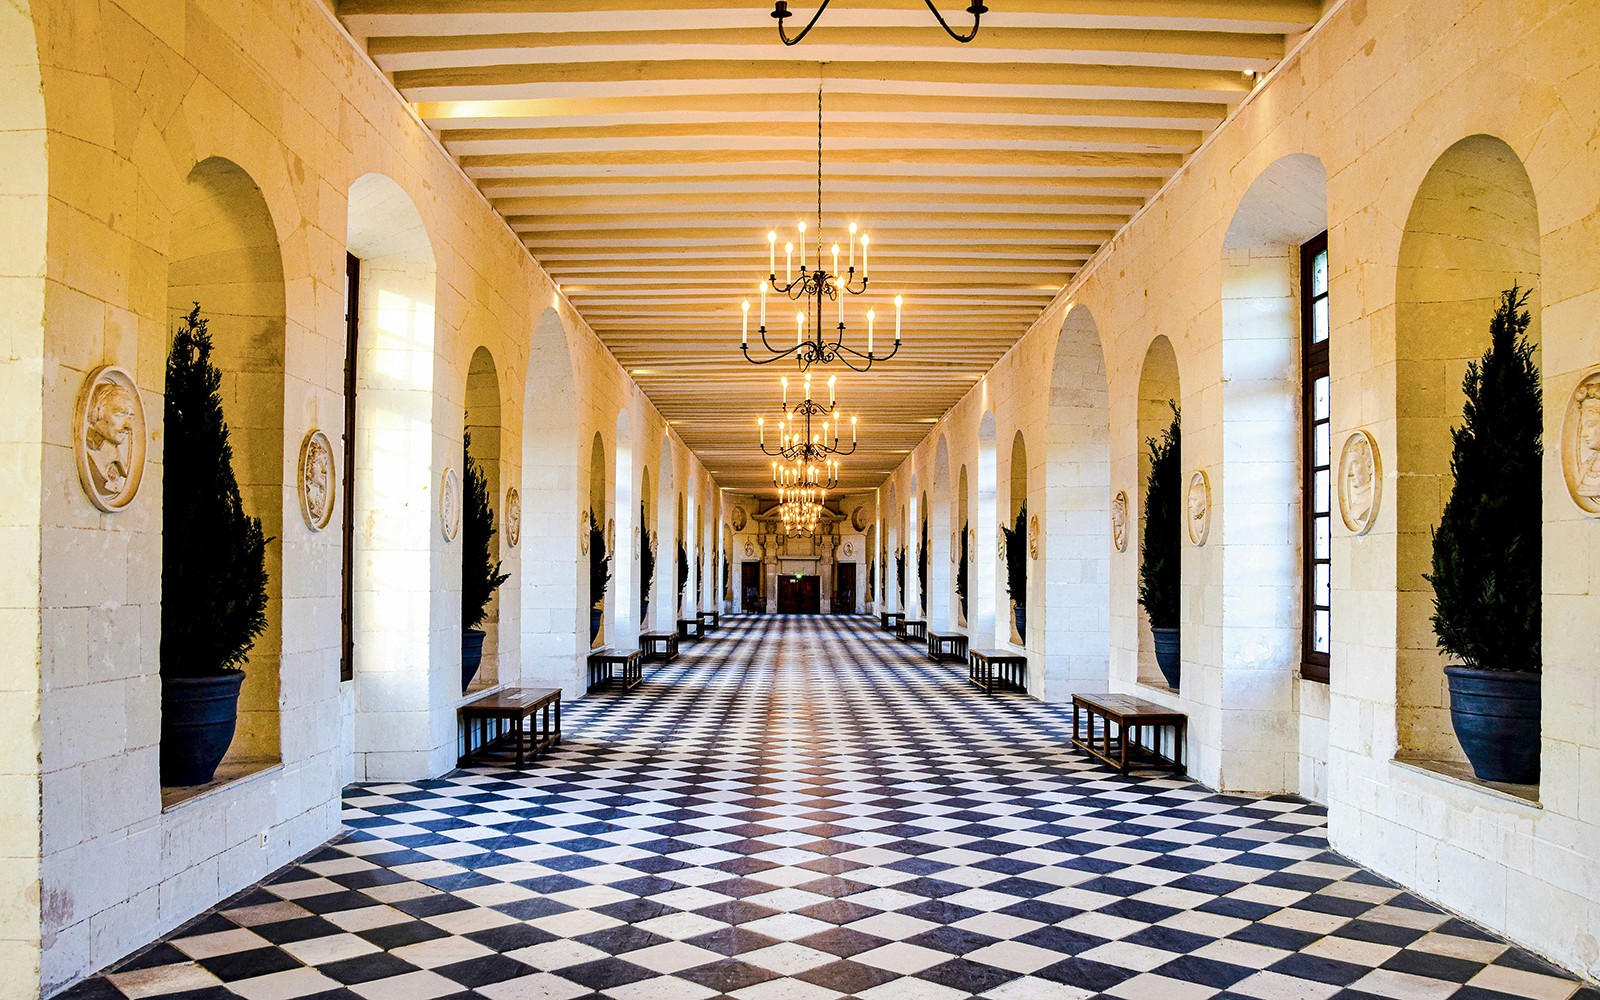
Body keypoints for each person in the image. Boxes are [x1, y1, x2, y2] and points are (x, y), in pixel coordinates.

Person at [85, 381, 137, 501]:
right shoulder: (88, 453)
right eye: (120, 414)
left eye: (130, 417)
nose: (129, 426)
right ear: (96, 412)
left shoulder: (122, 463)